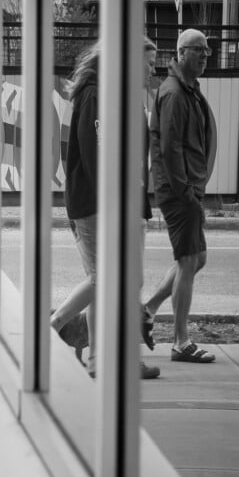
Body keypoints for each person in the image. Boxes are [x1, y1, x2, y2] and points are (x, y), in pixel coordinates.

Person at [50, 40, 161, 379]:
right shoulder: (95, 95)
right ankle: (54, 327)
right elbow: (95, 155)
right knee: (107, 279)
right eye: (149, 62)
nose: (153, 69)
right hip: (96, 205)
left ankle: (98, 359)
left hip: (113, 204)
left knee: (110, 281)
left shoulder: (119, 96)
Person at [142, 29, 217, 364]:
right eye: (199, 50)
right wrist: (186, 191)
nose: (205, 56)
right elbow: (170, 149)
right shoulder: (174, 93)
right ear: (182, 52)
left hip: (188, 188)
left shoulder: (188, 89)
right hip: (179, 191)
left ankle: (147, 308)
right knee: (188, 261)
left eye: (207, 51)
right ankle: (180, 341)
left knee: (197, 258)